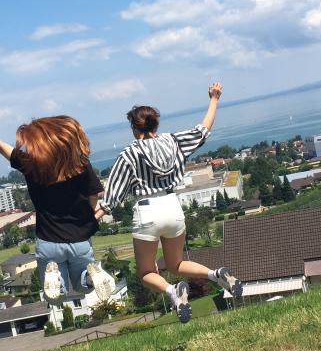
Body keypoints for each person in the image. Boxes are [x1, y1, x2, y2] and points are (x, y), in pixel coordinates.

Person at [95, 82, 243, 323]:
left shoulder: (129, 154)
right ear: (156, 125)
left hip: (147, 212)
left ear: (134, 128)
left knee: (146, 272)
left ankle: (173, 291)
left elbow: (111, 197)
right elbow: (203, 130)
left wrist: (87, 222)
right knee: (176, 264)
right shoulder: (173, 141)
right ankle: (216, 274)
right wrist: (214, 99)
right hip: (172, 206)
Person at [0, 111, 117, 303]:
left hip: (48, 241)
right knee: (83, 286)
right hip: (80, 240)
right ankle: (90, 276)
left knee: (55, 297)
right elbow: (93, 195)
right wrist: (87, 217)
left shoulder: (31, 164)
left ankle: (55, 279)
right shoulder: (79, 164)